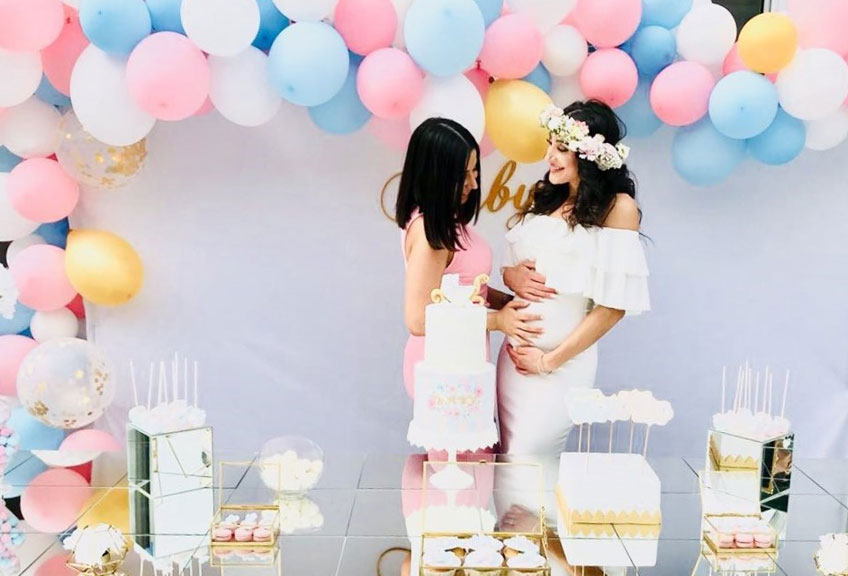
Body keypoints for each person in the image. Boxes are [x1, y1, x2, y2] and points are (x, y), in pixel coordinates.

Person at [497, 100, 651, 456]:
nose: (550, 155)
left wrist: (547, 362)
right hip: (514, 359)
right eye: (551, 144)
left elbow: (613, 307)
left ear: (589, 155)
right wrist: (510, 276)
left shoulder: (617, 208)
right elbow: (522, 267)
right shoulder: (546, 198)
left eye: (562, 148)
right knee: (508, 462)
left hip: (557, 366)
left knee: (532, 461)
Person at [397, 117, 541, 399]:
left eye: (475, 171)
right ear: (435, 174)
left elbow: (461, 288)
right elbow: (418, 320)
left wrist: (509, 301)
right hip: (442, 363)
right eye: (464, 174)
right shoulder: (430, 233)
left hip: (464, 355)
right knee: (461, 444)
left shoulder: (445, 221)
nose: (474, 184)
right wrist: (497, 321)